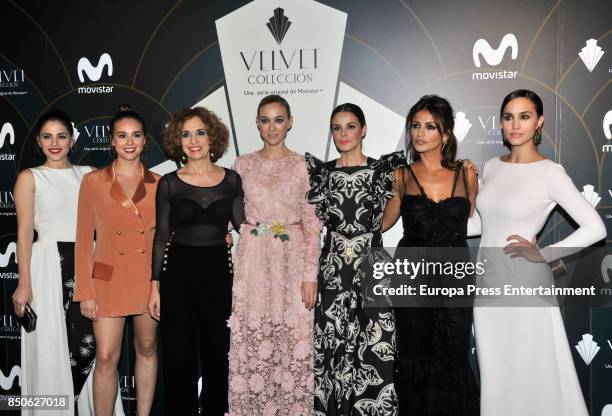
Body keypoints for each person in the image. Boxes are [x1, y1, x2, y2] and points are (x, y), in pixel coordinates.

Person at [472, 89, 606, 416]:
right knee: (496, 372)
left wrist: (544, 253)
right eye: (508, 117)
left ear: (539, 122)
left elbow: (596, 228)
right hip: (488, 283)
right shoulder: (489, 167)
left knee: (533, 369)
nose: (515, 124)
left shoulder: (549, 172)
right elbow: (479, 224)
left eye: (524, 116)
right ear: (501, 124)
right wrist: (429, 219)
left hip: (525, 281)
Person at [382, 95, 479, 416]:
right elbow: (381, 224)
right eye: (415, 126)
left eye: (429, 127)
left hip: (455, 280)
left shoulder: (467, 175)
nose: (420, 133)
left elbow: (477, 219)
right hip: (411, 281)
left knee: (453, 353)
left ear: (446, 134)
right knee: (415, 355)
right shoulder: (401, 176)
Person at [305, 103, 405, 415]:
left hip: (371, 270)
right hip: (333, 271)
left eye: (350, 126)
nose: (343, 133)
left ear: (363, 129)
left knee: (373, 346)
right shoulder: (322, 174)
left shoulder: (382, 170)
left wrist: (367, 234)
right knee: (332, 347)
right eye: (337, 127)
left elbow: (390, 213)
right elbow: (310, 224)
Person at [227, 95, 321, 416]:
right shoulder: (242, 164)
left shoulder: (302, 164)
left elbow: (311, 222)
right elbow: (233, 212)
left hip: (292, 260)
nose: (272, 127)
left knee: (294, 342)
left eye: (279, 120)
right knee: (254, 341)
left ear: (290, 122)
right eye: (265, 120)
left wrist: (311, 275)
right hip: (253, 260)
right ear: (256, 123)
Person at [148, 106, 244, 415]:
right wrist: (154, 287)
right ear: (178, 140)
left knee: (219, 355)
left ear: (212, 137)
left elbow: (247, 227)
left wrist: (287, 229)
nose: (194, 140)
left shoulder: (231, 180)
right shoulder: (169, 183)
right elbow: (161, 236)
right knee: (179, 358)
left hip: (218, 272)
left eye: (200, 132)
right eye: (186, 134)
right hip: (178, 273)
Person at [74, 105, 159, 416]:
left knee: (147, 349)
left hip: (146, 279)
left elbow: (168, 236)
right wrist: (85, 291)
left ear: (145, 140)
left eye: (135, 135)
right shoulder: (93, 181)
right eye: (122, 136)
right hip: (107, 280)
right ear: (111, 141)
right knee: (107, 357)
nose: (129, 142)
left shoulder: (159, 183)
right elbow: (84, 240)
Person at [12, 110, 98, 415]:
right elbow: (23, 232)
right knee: (49, 351)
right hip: (47, 266)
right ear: (38, 141)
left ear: (72, 140)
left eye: (61, 136)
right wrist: (24, 283)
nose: (55, 142)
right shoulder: (30, 177)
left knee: (91, 350)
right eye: (47, 136)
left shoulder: (89, 174)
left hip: (85, 265)